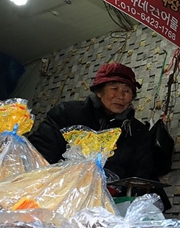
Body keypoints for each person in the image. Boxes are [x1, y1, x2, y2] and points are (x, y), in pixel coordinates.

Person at [28, 62, 156, 182]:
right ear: (99, 91)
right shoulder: (66, 113)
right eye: (114, 88)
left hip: (110, 199)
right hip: (59, 189)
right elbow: (41, 151)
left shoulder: (138, 132)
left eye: (127, 91)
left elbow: (142, 173)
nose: (120, 96)